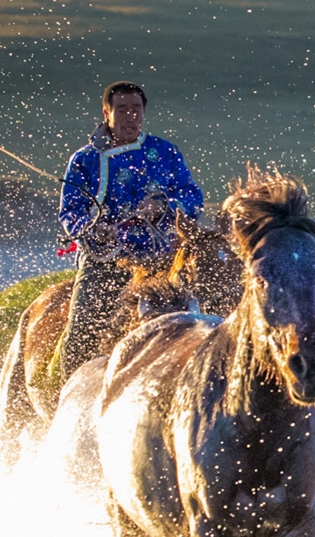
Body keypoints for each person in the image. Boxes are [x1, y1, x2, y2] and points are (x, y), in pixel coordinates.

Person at [48, 81, 205, 390]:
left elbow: (192, 197)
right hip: (104, 262)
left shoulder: (164, 152)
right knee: (83, 329)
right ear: (107, 113)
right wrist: (94, 228)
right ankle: (70, 398)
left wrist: (163, 207)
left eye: (136, 110)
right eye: (122, 110)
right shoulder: (84, 160)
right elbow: (70, 212)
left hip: (161, 263)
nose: (130, 116)